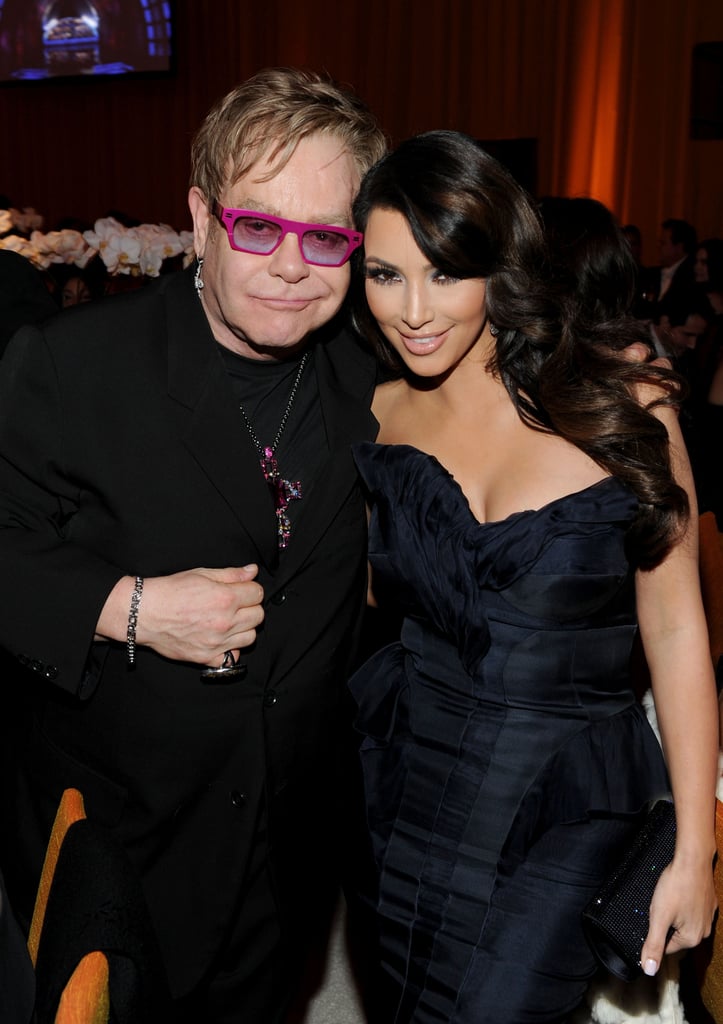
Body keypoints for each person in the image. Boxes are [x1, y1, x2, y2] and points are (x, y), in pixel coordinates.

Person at [0, 67, 386, 1024]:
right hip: (117, 840)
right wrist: (126, 607)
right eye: (257, 225)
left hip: (289, 847)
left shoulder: (376, 376)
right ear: (201, 217)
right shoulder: (71, 364)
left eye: (326, 237)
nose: (291, 266)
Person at [346, 130, 718, 1023]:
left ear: (497, 267)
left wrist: (697, 844)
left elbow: (674, 631)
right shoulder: (373, 411)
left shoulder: (624, 409)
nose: (414, 310)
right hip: (400, 787)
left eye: (444, 272)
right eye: (386, 274)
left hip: (565, 800)